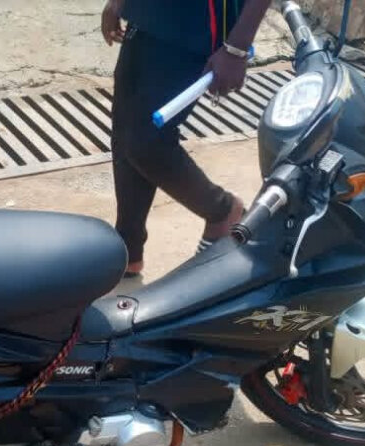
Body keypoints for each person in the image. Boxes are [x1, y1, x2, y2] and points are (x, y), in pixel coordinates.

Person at [101, 0, 272, 278]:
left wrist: (237, 48)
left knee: (147, 141)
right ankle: (128, 247)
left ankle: (222, 210)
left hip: (197, 26)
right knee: (125, 128)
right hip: (148, 15)